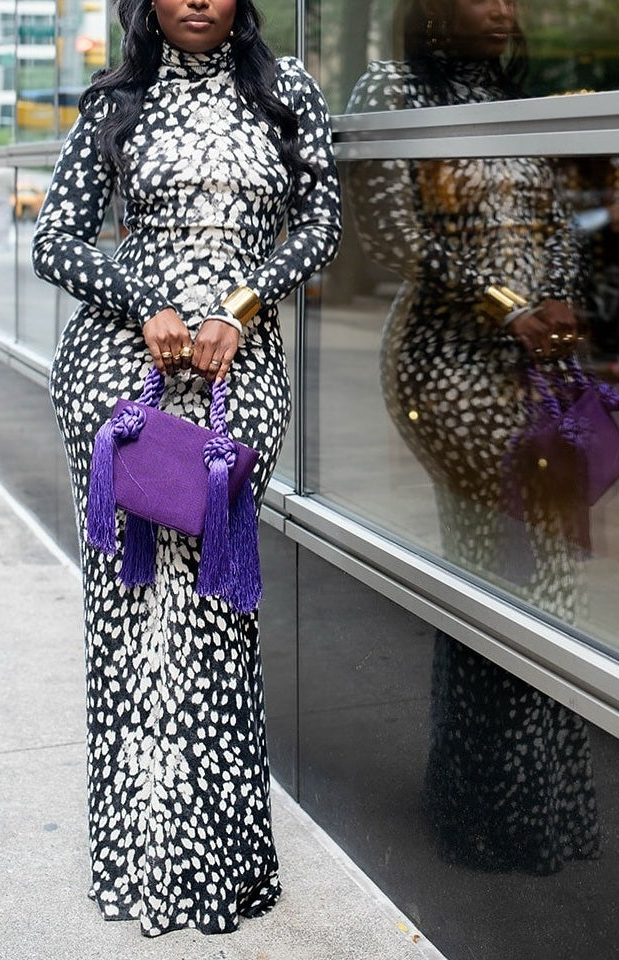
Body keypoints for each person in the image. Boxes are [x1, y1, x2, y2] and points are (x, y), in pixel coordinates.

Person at [32, 0, 341, 936]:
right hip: (122, 370)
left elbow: (319, 224)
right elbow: (56, 239)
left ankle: (219, 859)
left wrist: (237, 306)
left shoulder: (285, 91)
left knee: (212, 609)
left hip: (236, 369)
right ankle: (139, 857)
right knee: (129, 610)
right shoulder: (117, 99)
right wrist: (152, 300)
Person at [346, 0, 600, 874]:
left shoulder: (502, 93)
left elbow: (557, 222)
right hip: (445, 357)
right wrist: (508, 307)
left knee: (539, 571)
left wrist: (560, 298)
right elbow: (392, 234)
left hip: (534, 363)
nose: (501, 8)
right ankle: (491, 812)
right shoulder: (394, 88)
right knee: (510, 564)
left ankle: (525, 805)